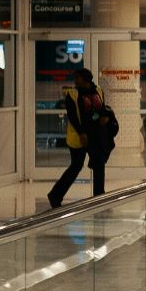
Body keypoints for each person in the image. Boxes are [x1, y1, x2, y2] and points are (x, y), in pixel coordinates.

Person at [48, 68, 112, 209]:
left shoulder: (98, 91)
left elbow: (102, 108)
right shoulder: (73, 94)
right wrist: (82, 133)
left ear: (87, 80)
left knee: (99, 164)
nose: (75, 81)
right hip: (79, 136)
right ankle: (55, 195)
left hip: (96, 135)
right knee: (76, 166)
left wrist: (105, 117)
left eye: (78, 78)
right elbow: (72, 117)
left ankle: (99, 196)